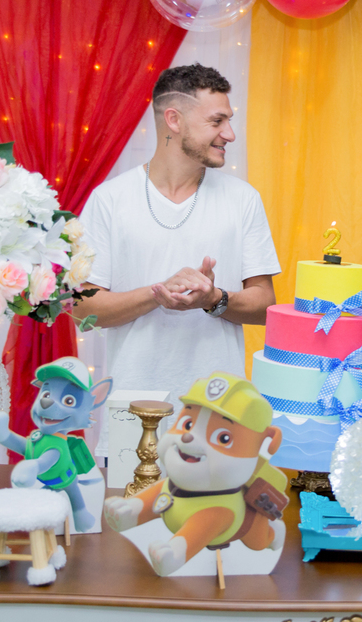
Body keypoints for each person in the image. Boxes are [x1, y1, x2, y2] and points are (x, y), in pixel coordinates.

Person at [76, 64, 280, 453]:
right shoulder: (110, 200)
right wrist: (155, 294)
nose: (229, 134)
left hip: (220, 414)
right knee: (126, 514)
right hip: (131, 412)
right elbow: (82, 309)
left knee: (215, 516)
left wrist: (214, 299)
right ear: (174, 120)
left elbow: (265, 305)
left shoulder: (243, 199)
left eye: (229, 121)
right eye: (217, 121)